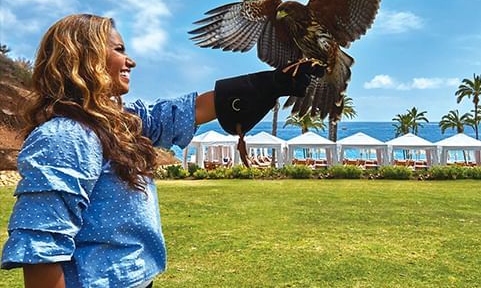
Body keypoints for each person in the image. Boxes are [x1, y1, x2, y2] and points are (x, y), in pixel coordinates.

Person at [0, 14, 322, 287]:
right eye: (119, 49)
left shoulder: (123, 122)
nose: (131, 61)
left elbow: (181, 111)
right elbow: (42, 254)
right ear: (85, 56)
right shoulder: (64, 136)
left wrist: (271, 84)